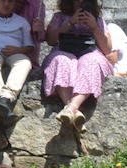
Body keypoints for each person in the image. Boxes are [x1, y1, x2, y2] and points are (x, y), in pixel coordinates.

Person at [42, 0, 113, 133]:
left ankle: (71, 108)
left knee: (91, 62)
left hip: (90, 51)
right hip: (64, 49)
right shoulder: (59, 17)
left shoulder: (97, 20)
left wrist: (94, 27)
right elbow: (51, 40)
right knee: (62, 61)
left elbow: (107, 49)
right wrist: (70, 23)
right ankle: (75, 111)